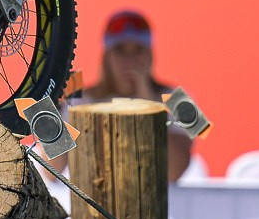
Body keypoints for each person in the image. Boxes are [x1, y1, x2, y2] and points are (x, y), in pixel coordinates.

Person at [64, 9, 195, 182]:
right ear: (106, 57)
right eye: (120, 50)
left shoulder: (180, 98)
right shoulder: (78, 96)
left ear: (150, 55)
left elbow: (175, 172)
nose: (130, 59)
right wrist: (50, 107)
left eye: (138, 50)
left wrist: (148, 103)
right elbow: (52, 170)